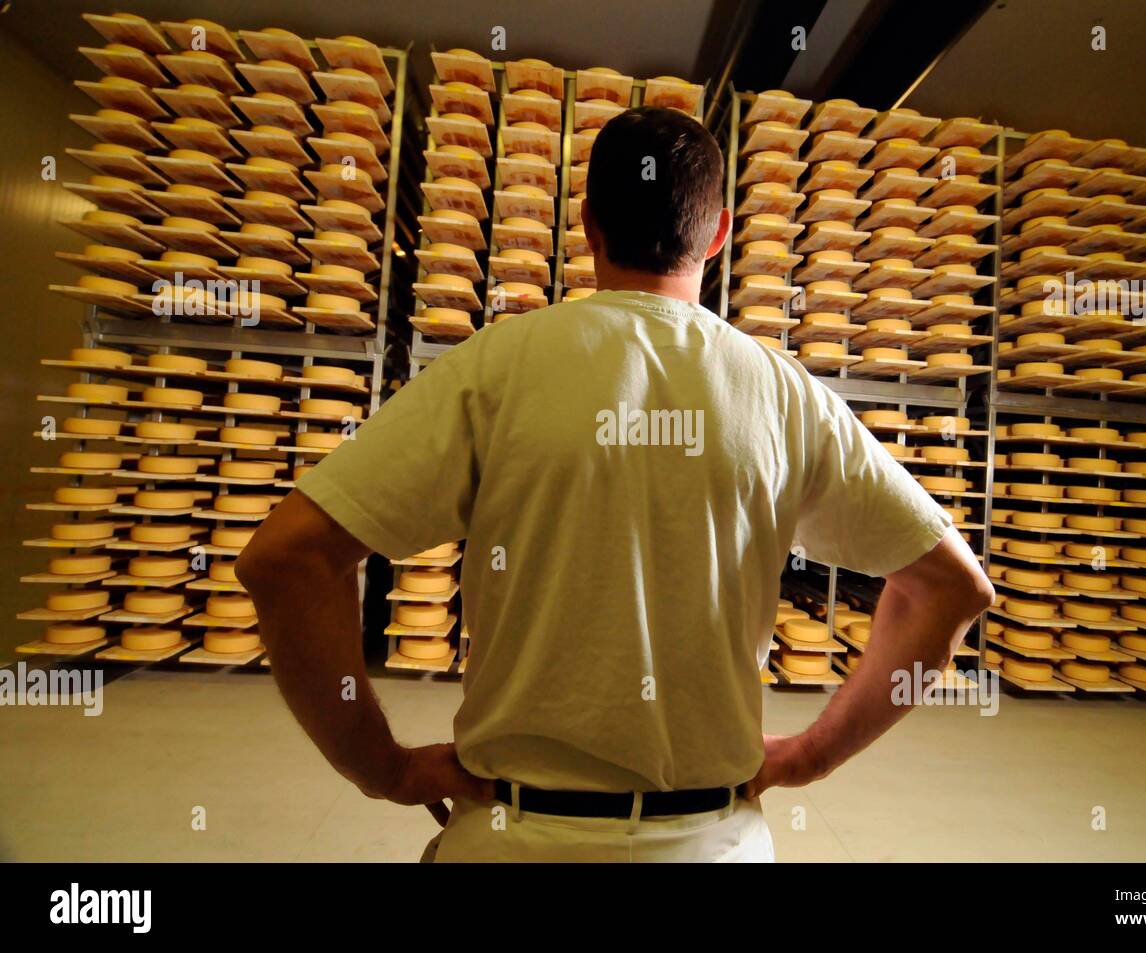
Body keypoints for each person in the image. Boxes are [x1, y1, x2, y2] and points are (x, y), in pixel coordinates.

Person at [235, 106, 994, 863]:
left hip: (511, 838)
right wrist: (810, 755)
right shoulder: (781, 394)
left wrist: (385, 767)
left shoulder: (497, 368)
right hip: (713, 842)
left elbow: (286, 559)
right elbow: (953, 587)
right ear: (720, 234)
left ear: (589, 225)